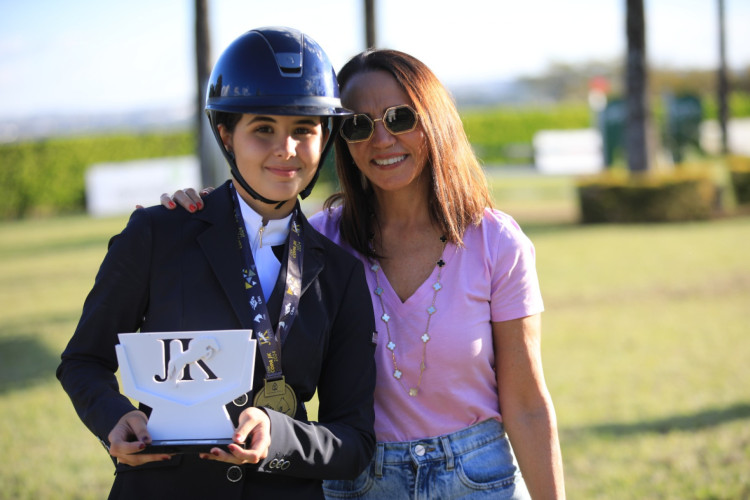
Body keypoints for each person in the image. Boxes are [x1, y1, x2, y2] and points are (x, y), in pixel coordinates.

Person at [168, 49, 565, 499]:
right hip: (359, 479)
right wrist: (192, 219)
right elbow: (237, 293)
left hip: (478, 478)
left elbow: (528, 404)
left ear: (436, 118)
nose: (381, 139)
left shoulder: (497, 242)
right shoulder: (316, 244)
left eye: (400, 117)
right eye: (358, 124)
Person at [57, 27, 376, 500]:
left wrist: (278, 434)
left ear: (324, 137)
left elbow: (354, 441)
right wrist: (113, 419)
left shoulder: (342, 275)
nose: (285, 150)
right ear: (226, 134)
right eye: (263, 128)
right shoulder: (155, 233)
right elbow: (83, 361)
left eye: (303, 130)